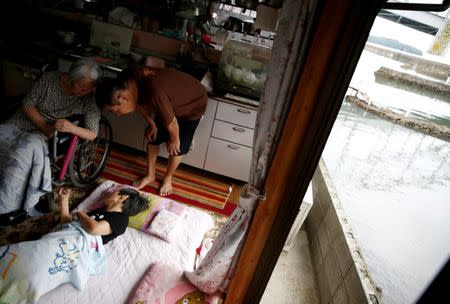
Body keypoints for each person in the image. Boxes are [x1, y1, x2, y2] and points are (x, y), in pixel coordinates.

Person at [0, 186, 148, 303]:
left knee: (35, 266)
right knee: (24, 252)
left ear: (123, 197)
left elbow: (94, 229)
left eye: (115, 191)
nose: (109, 192)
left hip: (75, 246)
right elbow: (67, 224)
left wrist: (80, 214)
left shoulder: (121, 219)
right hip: (62, 237)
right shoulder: (99, 211)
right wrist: (65, 200)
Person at [0, 58, 103, 220]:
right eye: (81, 87)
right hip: (25, 121)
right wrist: (45, 127)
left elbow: (92, 133)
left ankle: (8, 206)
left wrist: (71, 128)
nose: (84, 92)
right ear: (71, 77)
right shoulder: (50, 79)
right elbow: (27, 104)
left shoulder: (89, 99)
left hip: (45, 135)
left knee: (20, 158)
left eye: (88, 89)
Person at [96, 66, 208, 196]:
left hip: (193, 103)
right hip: (168, 101)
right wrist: (152, 123)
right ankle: (150, 175)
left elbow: (173, 123)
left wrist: (174, 139)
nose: (118, 115)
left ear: (123, 98)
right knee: (153, 136)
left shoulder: (154, 93)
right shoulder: (125, 79)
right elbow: (138, 103)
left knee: (177, 147)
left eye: (115, 110)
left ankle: (168, 178)